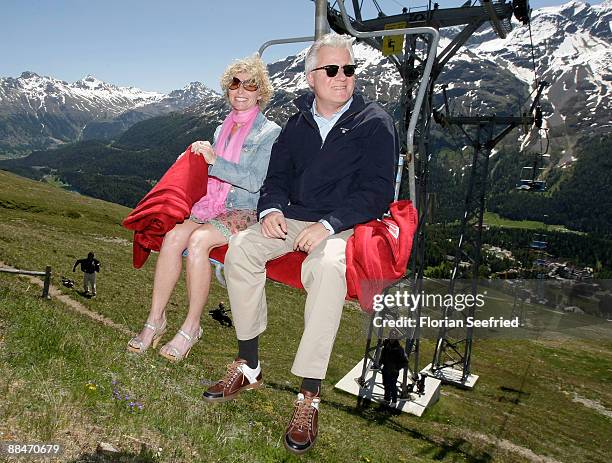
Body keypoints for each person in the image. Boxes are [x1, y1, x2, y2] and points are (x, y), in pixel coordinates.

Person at [202, 33, 399, 454]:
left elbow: (378, 193)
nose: (342, 77)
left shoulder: (374, 123)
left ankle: (309, 393)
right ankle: (249, 364)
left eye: (349, 69)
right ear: (312, 77)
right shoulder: (296, 124)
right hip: (293, 215)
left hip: (346, 222)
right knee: (241, 249)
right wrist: (272, 210)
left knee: (326, 269)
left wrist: (329, 225)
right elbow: (277, 179)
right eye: (332, 70)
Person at [127, 55, 281, 362]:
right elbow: (210, 169)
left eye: (249, 84)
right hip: (211, 203)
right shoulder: (222, 126)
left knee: (198, 242)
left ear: (260, 92)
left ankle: (191, 327)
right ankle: (155, 320)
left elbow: (254, 181)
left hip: (243, 209)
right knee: (172, 238)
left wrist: (214, 161)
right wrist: (199, 155)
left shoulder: (270, 133)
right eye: (235, 83)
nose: (241, 90)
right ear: (228, 89)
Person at [380, 337, 408, 407]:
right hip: (386, 369)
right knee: (386, 385)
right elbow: (382, 357)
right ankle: (387, 399)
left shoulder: (399, 349)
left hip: (393, 372)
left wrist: (397, 368)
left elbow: (405, 362)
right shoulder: (386, 347)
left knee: (392, 386)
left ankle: (394, 402)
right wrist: (380, 364)